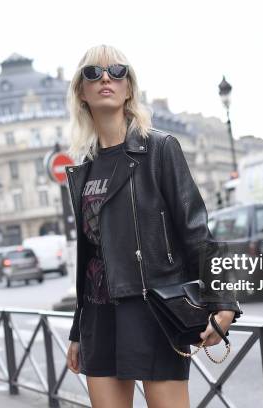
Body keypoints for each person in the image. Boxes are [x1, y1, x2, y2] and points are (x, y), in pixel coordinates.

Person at [63, 45, 241, 408]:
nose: (106, 79)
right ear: (82, 92)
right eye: (93, 74)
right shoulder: (83, 169)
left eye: (117, 72)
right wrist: (79, 330)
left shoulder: (159, 149)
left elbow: (195, 228)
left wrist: (222, 300)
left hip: (153, 307)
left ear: (129, 88)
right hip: (99, 314)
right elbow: (91, 256)